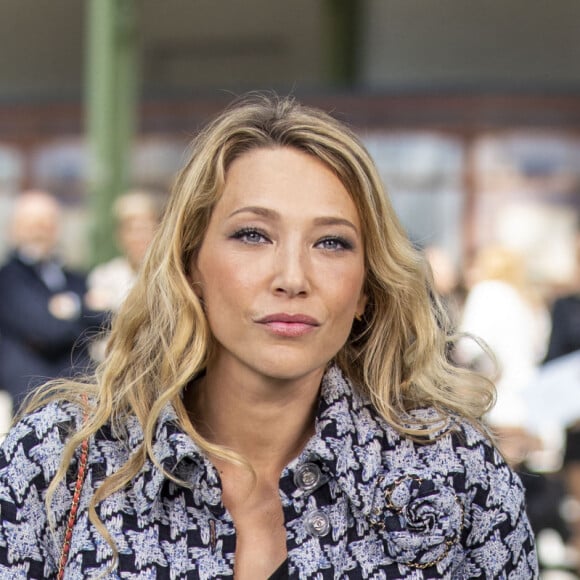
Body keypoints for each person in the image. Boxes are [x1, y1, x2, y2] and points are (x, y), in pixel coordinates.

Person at [0, 95, 538, 578]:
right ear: (192, 266)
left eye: (331, 243)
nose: (292, 278)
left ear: (367, 289)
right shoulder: (58, 463)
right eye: (252, 235)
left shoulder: (457, 478)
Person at [0, 190, 106, 414]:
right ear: (15, 229)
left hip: (82, 390)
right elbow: (48, 330)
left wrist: (73, 307)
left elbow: (106, 320)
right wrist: (84, 318)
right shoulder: (7, 279)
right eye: (32, 224)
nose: (40, 231)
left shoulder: (75, 279)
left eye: (46, 224)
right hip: (32, 393)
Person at [87, 189, 162, 313]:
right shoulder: (104, 277)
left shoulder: (169, 276)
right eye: (132, 230)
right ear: (120, 235)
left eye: (145, 228)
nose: (139, 237)